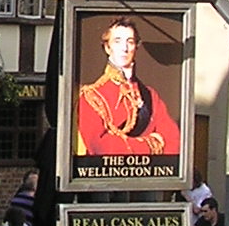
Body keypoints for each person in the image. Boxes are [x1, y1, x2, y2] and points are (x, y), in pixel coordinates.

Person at [75, 19, 180, 157]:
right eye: (117, 41)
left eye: (130, 42)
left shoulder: (150, 96)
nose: (124, 48)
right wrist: (151, 144)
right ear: (107, 48)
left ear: (136, 47)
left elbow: (173, 141)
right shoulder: (91, 97)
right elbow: (101, 147)